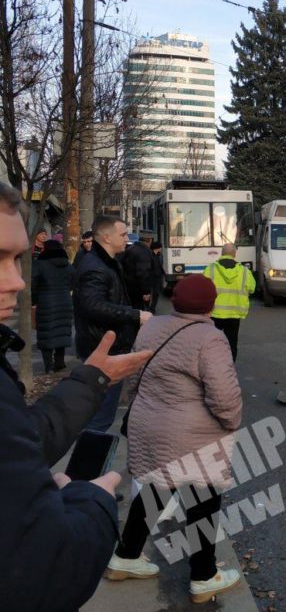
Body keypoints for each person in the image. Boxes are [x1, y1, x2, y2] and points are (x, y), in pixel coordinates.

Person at [0, 181, 153, 612]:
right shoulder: (92, 266)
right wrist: (92, 499)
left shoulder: (103, 260)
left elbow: (23, 438)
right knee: (99, 427)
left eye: (16, 259)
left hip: (101, 357)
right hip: (100, 343)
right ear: (105, 237)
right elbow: (47, 572)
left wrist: (91, 380)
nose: (15, 282)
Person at [107, 274, 242, 603]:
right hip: (193, 433)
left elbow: (135, 374)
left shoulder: (151, 327)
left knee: (156, 488)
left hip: (149, 421)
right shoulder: (210, 338)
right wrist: (232, 421)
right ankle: (204, 576)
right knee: (203, 502)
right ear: (210, 304)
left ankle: (125, 556)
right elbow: (223, 397)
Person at [74, 215, 152, 432]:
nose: (127, 239)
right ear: (107, 238)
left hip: (107, 346)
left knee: (101, 415)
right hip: (103, 350)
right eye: (123, 234)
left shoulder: (107, 263)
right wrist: (135, 315)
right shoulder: (96, 267)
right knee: (100, 418)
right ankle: (87, 464)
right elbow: (93, 306)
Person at [202, 243, 256, 361]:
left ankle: (212, 364)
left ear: (222, 253)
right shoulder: (245, 271)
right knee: (231, 343)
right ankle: (229, 367)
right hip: (234, 314)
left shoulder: (210, 269)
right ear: (234, 254)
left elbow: (202, 289)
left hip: (214, 313)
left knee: (212, 342)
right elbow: (252, 288)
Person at [32, 238, 74, 373]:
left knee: (46, 333)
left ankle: (48, 365)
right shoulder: (67, 265)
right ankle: (60, 362)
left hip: (46, 302)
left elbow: (33, 284)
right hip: (65, 301)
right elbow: (75, 278)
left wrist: (34, 300)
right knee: (61, 332)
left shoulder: (39, 264)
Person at [119, 228, 157, 311]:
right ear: (149, 240)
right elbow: (143, 273)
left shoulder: (131, 249)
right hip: (138, 290)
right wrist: (146, 292)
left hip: (129, 287)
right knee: (140, 311)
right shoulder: (144, 252)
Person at [150, 239, 166, 312]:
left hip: (159, 277)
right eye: (160, 247)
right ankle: (147, 307)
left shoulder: (160, 255)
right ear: (157, 247)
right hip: (151, 277)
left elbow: (161, 265)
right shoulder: (149, 255)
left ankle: (153, 308)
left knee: (156, 294)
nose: (161, 248)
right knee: (149, 293)